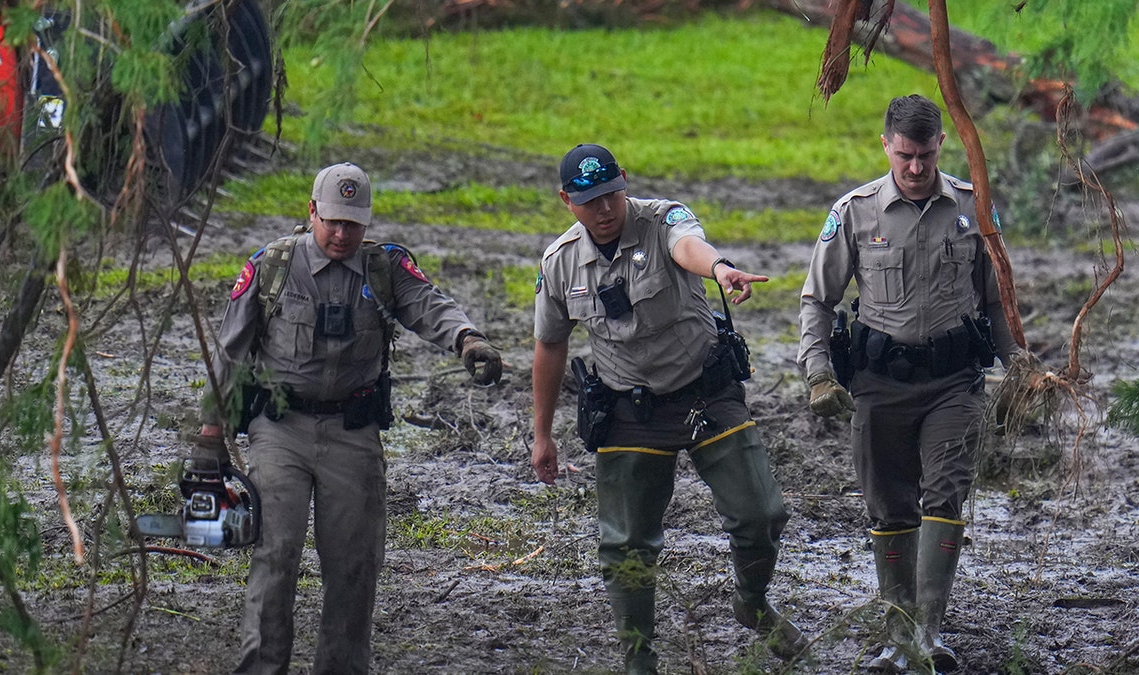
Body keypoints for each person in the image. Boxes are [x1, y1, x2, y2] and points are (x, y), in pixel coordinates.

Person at [194, 161, 503, 674]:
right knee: (276, 554)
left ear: (367, 222)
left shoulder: (384, 269)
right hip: (279, 430)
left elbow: (429, 304)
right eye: (332, 221)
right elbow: (229, 350)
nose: (340, 234)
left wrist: (467, 339)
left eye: (352, 223)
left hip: (352, 433)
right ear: (311, 212)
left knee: (353, 566)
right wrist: (210, 432)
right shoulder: (273, 266)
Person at [531, 143, 807, 674]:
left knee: (761, 514)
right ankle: (639, 662)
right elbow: (550, 345)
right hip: (629, 410)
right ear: (567, 201)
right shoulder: (561, 262)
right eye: (590, 201)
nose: (605, 209)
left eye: (612, 194)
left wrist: (722, 269)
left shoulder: (662, 220)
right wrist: (542, 433)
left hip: (704, 393)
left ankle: (751, 601)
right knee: (627, 547)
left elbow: (689, 247)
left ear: (625, 182)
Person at [798, 94, 1022, 674]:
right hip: (879, 384)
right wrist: (819, 374)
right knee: (890, 506)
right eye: (905, 156)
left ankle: (929, 634)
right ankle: (897, 638)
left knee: (945, 493)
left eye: (925, 155)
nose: (916, 168)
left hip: (954, 383)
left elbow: (998, 300)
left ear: (941, 146)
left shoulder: (975, 208)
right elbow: (816, 300)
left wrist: (1019, 367)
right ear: (885, 146)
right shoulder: (854, 212)